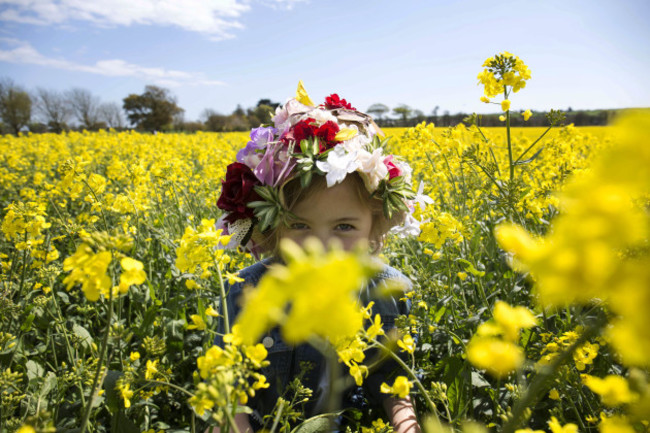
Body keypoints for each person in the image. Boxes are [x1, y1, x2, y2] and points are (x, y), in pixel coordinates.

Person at [208, 82, 424, 433]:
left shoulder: (388, 290)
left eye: (343, 226)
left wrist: (405, 423)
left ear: (374, 228)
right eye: (299, 225)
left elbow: (392, 379)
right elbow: (227, 388)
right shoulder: (243, 291)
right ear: (272, 225)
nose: (319, 247)